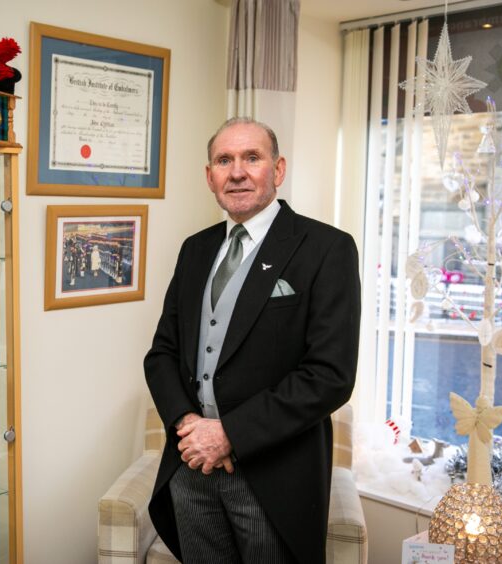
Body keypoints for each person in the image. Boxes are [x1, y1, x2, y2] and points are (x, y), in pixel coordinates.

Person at [144, 117, 361, 564]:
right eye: (224, 160)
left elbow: (330, 376)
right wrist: (189, 427)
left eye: (252, 158)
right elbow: (162, 352)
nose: (237, 172)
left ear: (278, 170)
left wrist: (229, 435)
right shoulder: (195, 249)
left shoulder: (326, 249)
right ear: (210, 176)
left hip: (273, 480)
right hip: (190, 469)